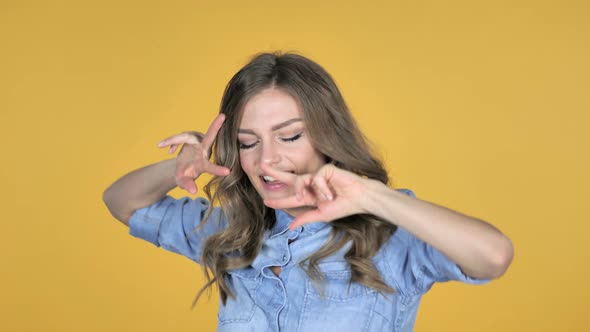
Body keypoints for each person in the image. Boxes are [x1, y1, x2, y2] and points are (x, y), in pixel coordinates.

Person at [102, 52, 514, 332]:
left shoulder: (384, 233)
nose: (267, 161)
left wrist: (372, 197)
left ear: (326, 134)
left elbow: (493, 256)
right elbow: (122, 202)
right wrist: (177, 167)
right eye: (248, 142)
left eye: (290, 136)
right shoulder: (233, 231)